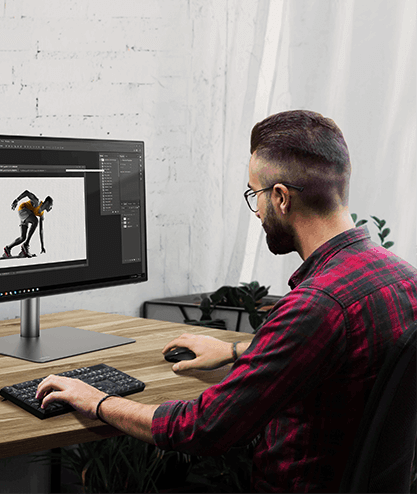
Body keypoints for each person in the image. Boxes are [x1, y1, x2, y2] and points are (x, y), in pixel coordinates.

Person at [35, 110, 417, 492]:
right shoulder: (402, 278)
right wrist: (236, 350)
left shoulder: (316, 305)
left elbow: (205, 428)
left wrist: (98, 401)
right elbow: (346, 348)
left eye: (255, 195)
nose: (257, 211)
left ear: (281, 198)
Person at [2, 190, 53, 258]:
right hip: (23, 209)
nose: (51, 208)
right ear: (47, 203)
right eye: (51, 206)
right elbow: (26, 192)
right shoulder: (37, 202)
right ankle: (26, 245)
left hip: (26, 215)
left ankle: (8, 248)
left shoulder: (42, 215)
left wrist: (42, 246)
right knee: (35, 220)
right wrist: (16, 200)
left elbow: (41, 230)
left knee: (23, 237)